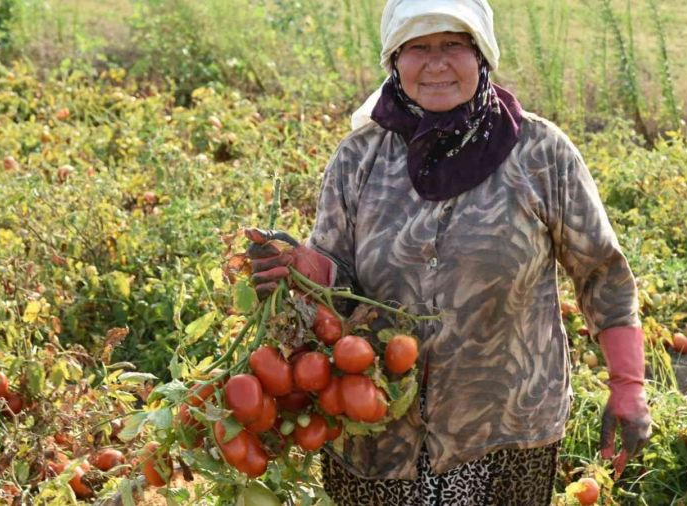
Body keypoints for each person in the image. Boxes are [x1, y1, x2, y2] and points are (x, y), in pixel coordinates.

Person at [248, 0, 651, 504]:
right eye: (418, 47)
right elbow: (339, 280)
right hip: (378, 432)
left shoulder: (540, 153)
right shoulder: (359, 157)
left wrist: (628, 386)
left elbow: (602, 273)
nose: (436, 63)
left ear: (481, 54)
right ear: (395, 58)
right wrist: (302, 268)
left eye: (453, 45)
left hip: (504, 430)